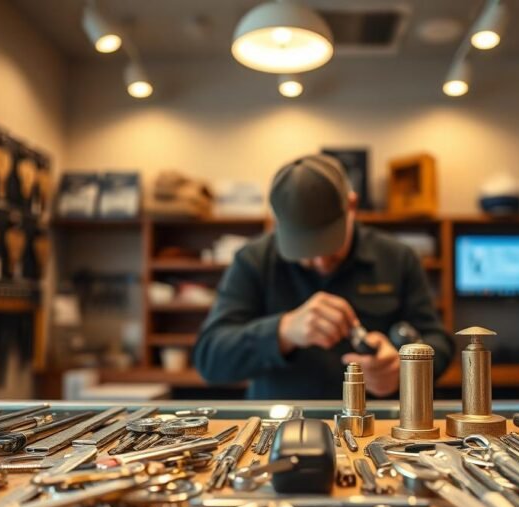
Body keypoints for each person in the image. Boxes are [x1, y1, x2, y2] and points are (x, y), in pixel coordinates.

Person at [193, 154, 453, 400]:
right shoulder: (254, 260)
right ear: (278, 224)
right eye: (304, 250)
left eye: (329, 243)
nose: (320, 261)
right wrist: (282, 331)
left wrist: (403, 371)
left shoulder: (397, 258)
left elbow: (438, 341)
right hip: (279, 430)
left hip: (376, 428)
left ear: (351, 205)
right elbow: (209, 358)